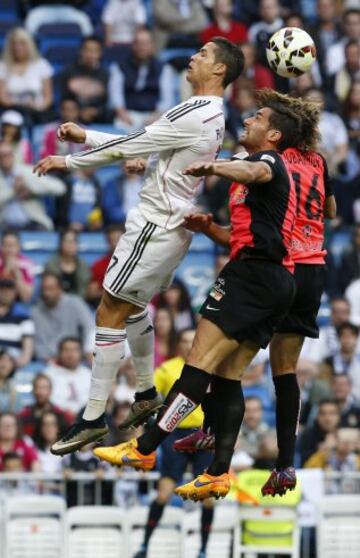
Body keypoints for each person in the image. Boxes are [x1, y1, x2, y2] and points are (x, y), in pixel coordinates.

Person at [93, 90, 310, 501]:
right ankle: (217, 472)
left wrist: (214, 165)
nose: (248, 120)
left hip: (253, 279)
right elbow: (246, 235)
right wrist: (210, 228)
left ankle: (143, 448)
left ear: (275, 135)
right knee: (227, 376)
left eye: (258, 117)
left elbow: (254, 173)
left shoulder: (266, 162)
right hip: (273, 280)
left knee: (197, 366)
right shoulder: (252, 168)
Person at [33, 37, 245, 455]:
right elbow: (159, 151)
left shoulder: (195, 110)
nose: (192, 57)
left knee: (109, 309)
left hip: (155, 224)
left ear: (220, 70)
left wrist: (71, 158)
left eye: (203, 54)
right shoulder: (214, 115)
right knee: (131, 308)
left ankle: (93, 417)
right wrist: (92, 136)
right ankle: (147, 392)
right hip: (173, 223)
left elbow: (134, 143)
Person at [165, 91, 336, 496]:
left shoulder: (268, 161)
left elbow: (253, 184)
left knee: (222, 360)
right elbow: (329, 210)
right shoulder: (317, 161)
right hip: (314, 268)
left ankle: (209, 431)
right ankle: (285, 466)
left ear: (278, 132)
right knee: (284, 371)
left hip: (277, 267)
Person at [134, 329, 214, 558]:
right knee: (164, 492)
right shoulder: (167, 369)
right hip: (174, 434)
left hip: (204, 434)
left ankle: (203, 549)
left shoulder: (211, 368)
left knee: (208, 496)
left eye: (194, 340)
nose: (190, 344)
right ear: (179, 344)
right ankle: (144, 545)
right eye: (186, 340)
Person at [109, 29, 175, 132]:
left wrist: (157, 115)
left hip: (154, 114)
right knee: (119, 127)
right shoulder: (119, 67)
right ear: (133, 45)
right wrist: (122, 113)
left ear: (152, 46)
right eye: (138, 44)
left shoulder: (164, 68)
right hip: (128, 114)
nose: (142, 48)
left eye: (145, 44)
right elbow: (115, 94)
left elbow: (167, 98)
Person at [0, 142, 65, 232]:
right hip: (5, 225)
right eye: (2, 156)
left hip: (33, 223)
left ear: (13, 155)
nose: (6, 159)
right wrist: (13, 190)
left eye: (8, 155)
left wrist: (31, 190)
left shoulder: (28, 172)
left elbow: (60, 188)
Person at [32, 272, 94, 363]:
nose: (46, 293)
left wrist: (84, 353)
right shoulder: (36, 311)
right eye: (43, 289)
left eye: (50, 289)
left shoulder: (75, 303)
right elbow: (38, 342)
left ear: (60, 289)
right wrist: (49, 360)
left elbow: (90, 330)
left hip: (76, 359)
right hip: (48, 361)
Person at [0, 27, 53, 123]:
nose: (17, 47)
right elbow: (2, 98)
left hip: (38, 112)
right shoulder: (3, 66)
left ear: (29, 45)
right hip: (11, 113)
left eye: (21, 44)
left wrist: (38, 107)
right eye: (14, 44)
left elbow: (48, 98)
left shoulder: (41, 64)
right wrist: (20, 104)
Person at [59, 36, 111, 124]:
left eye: (94, 51)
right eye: (87, 50)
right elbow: (64, 98)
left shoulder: (106, 74)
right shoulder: (68, 72)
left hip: (99, 117)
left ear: (100, 53)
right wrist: (78, 112)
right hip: (73, 117)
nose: (90, 54)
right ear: (81, 51)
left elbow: (108, 102)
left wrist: (96, 111)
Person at [44, 337, 91, 415]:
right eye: (66, 350)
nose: (70, 354)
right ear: (59, 353)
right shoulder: (49, 374)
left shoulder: (89, 374)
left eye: (74, 350)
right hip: (58, 417)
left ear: (80, 353)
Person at [18, 373, 73, 438]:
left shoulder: (61, 414)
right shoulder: (24, 414)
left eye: (44, 388)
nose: (40, 392)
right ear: (33, 390)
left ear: (50, 390)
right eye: (37, 388)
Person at [86, 224, 124, 308]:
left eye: (118, 240)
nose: (115, 244)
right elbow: (91, 294)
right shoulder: (99, 266)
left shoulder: (136, 264)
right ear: (107, 243)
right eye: (112, 240)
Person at [44, 229, 91, 298]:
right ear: (60, 244)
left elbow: (84, 291)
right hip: (55, 303)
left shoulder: (83, 266)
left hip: (79, 303)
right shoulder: (51, 265)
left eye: (73, 241)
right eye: (67, 241)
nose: (70, 245)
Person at [0, 278, 34, 367]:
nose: (6, 293)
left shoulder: (23, 317)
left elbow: (27, 350)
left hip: (13, 361)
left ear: (14, 293)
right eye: (2, 290)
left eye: (9, 290)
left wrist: (18, 364)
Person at [296, 399, 340, 466]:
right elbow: (305, 466)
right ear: (317, 417)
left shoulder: (345, 434)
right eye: (323, 414)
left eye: (332, 413)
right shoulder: (308, 436)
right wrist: (321, 452)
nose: (327, 418)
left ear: (339, 416)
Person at [0, 229, 35, 303]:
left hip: (17, 302)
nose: (9, 249)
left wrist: (17, 274)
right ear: (1, 247)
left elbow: (26, 297)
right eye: (6, 245)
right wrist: (6, 271)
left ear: (19, 247)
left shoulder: (27, 264)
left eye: (12, 246)